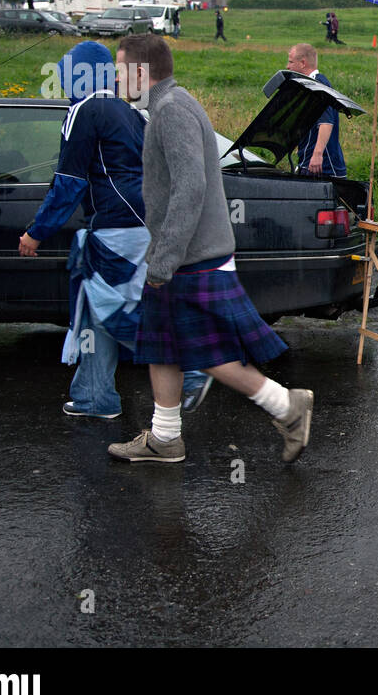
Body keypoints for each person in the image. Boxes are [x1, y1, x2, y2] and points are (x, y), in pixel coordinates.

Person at [107, 34, 313, 464]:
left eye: (120, 67)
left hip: (191, 259)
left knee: (211, 354)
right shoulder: (166, 106)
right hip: (183, 256)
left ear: (141, 72)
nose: (114, 75)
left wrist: (163, 259)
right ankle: (165, 437)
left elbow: (190, 187)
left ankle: (287, 407)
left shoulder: (171, 111)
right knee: (162, 345)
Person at [17, 41, 211, 420]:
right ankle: (94, 397)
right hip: (145, 225)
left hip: (114, 228)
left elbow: (68, 182)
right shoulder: (133, 112)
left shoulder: (84, 111)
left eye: (65, 72)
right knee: (97, 308)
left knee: (109, 308)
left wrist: (36, 232)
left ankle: (189, 366)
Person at [287, 43, 346, 178]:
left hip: (324, 168)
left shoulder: (319, 86)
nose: (288, 66)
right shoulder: (308, 86)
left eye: (291, 62)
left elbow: (327, 122)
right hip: (309, 164)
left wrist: (317, 154)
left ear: (302, 63)